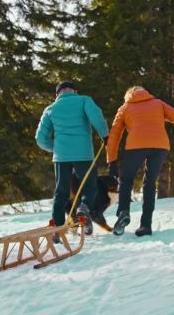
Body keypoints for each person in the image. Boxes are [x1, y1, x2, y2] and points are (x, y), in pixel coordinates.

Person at [106, 86, 174, 237]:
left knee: (126, 180)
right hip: (160, 146)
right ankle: (145, 225)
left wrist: (111, 160)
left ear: (128, 96)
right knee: (150, 184)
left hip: (135, 146)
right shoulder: (158, 103)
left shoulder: (125, 108)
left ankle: (124, 212)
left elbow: (114, 135)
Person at [35, 81, 109, 236]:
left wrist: (55, 148)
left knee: (61, 192)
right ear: (74, 91)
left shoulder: (50, 109)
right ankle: (84, 207)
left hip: (61, 157)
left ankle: (56, 226)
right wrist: (105, 135)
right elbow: (97, 118)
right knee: (90, 185)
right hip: (83, 153)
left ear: (58, 94)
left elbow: (40, 138)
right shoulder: (84, 100)